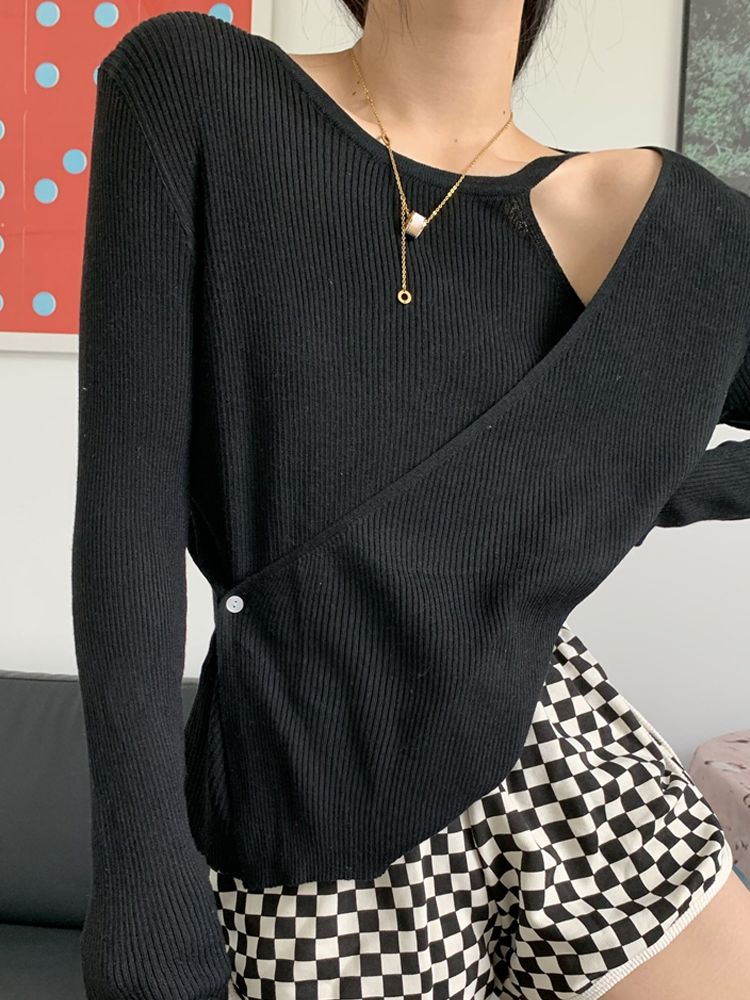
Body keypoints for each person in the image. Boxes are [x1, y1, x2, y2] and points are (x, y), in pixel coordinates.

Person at [71, 1, 750, 998]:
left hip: (561, 757)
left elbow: (575, 486)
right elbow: (126, 515)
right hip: (314, 791)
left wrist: (625, 493)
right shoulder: (200, 90)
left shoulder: (678, 227)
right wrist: (142, 886)